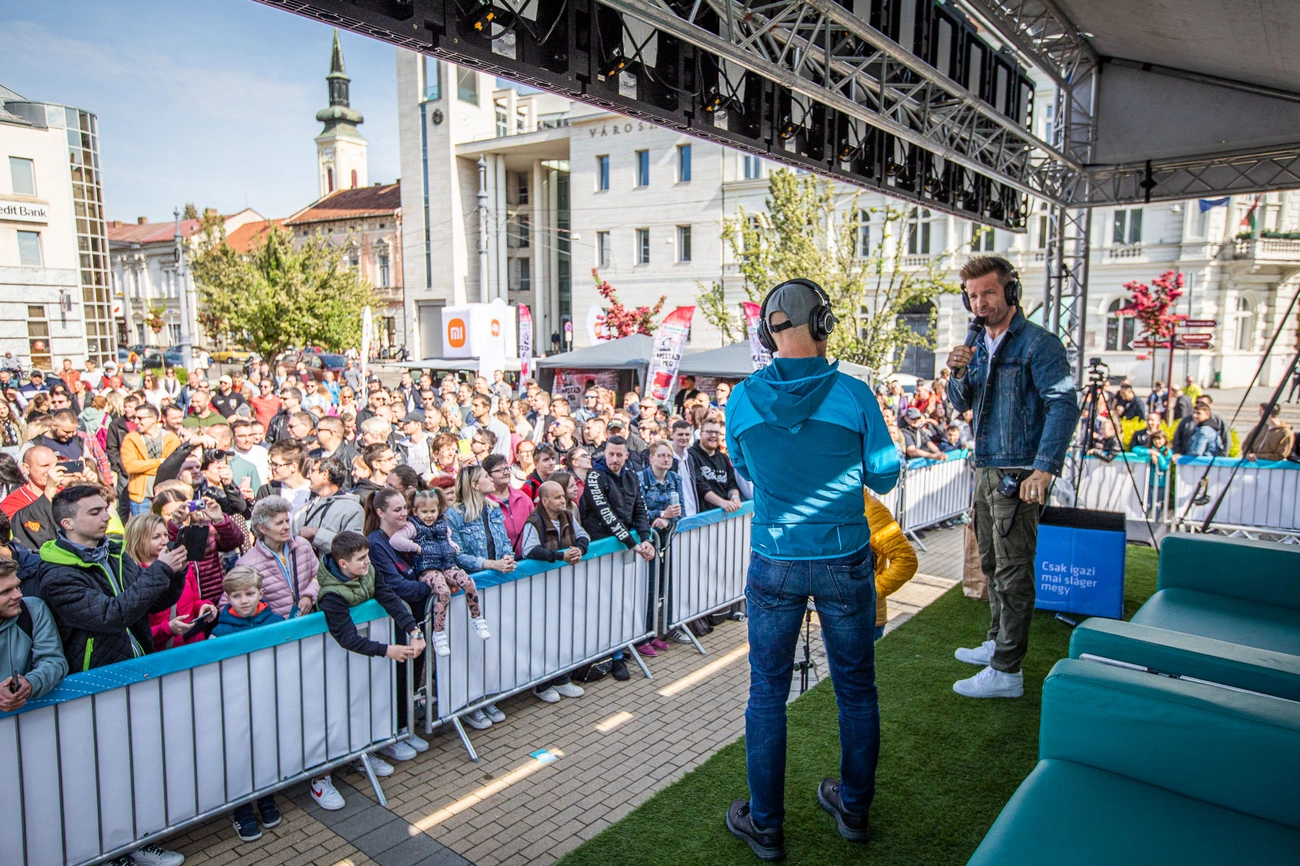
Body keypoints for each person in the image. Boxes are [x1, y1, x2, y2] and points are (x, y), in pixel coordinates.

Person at [722, 278, 899, 858]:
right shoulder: (854, 395)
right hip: (845, 559)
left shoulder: (742, 399)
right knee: (856, 690)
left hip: (774, 560)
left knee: (767, 693)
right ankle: (853, 808)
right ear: (822, 324)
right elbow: (885, 476)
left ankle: (766, 824)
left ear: (766, 330)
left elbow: (746, 469)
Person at [945, 256, 1076, 700]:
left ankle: (1007, 670)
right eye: (973, 295)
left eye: (988, 293)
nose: (979, 303)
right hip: (985, 467)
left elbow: (1063, 405)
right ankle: (997, 640)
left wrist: (1044, 467)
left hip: (1020, 470)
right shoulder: (977, 345)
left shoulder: (1040, 344)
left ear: (1010, 293)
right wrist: (957, 370)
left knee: (1014, 570)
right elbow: (959, 403)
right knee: (990, 564)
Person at [314, 531, 429, 807]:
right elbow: (346, 637)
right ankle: (321, 778)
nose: (368, 563)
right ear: (343, 564)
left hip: (363, 660)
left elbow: (388, 597)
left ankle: (365, 749)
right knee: (339, 712)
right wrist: (388, 650)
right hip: (333, 661)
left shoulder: (368, 572)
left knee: (366, 700)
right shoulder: (331, 595)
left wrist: (413, 628)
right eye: (361, 559)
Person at [35, 485, 188, 672]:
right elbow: (110, 615)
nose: (107, 517)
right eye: (95, 512)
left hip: (140, 663)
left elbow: (154, 602)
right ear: (68, 523)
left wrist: (176, 571)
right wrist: (161, 570)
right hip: (98, 678)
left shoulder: (115, 552)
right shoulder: (58, 575)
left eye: (105, 509)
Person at [208, 565, 287, 838]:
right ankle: (241, 810)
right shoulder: (220, 632)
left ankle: (266, 798)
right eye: (237, 595)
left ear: (261, 593)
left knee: (266, 748)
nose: (244, 600)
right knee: (238, 755)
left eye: (249, 593)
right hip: (235, 705)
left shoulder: (276, 622)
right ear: (227, 598)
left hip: (267, 700)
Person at [389, 488, 489, 656]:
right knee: (443, 592)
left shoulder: (443, 524)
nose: (429, 515)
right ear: (415, 511)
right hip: (428, 568)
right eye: (424, 511)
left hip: (447, 564)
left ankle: (477, 617)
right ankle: (439, 632)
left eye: (433, 511)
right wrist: (417, 547)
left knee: (468, 582)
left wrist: (452, 545)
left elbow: (447, 537)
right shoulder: (412, 526)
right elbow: (395, 540)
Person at [517, 480, 589, 703]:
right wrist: (560, 556)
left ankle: (562, 677)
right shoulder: (534, 521)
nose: (563, 500)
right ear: (544, 500)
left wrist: (579, 549)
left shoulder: (567, 515)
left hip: (563, 586)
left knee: (563, 632)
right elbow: (528, 550)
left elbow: (584, 535)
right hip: (540, 588)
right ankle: (542, 684)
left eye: (563, 496)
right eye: (557, 497)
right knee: (542, 635)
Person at [125, 512, 217, 651]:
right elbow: (136, 632)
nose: (164, 541)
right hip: (163, 655)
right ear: (137, 540)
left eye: (165, 535)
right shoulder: (131, 577)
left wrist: (205, 607)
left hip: (195, 647)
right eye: (156, 537)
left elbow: (194, 601)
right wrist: (168, 629)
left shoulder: (181, 566)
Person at [153, 483, 245, 604]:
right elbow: (173, 550)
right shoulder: (156, 538)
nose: (180, 515)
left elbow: (235, 541)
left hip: (217, 598)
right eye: (170, 514)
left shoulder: (204, 527)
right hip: (185, 605)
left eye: (182, 509)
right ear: (158, 516)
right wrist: (174, 525)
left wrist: (220, 519)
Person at [232, 496, 319, 619]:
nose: (286, 527)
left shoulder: (302, 545)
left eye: (287, 521)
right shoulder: (246, 564)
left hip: (308, 623)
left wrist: (309, 595)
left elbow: (319, 576)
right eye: (279, 523)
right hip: (276, 632)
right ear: (262, 528)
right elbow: (232, 601)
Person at [0, 557, 68, 712]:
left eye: (17, 586)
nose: (18, 595)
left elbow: (53, 660)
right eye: (5, 592)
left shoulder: (33, 609)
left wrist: (31, 683)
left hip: (32, 722)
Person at [863, 492, 918, 641]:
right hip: (833, 615)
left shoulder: (871, 509)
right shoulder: (830, 508)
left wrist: (871, 591)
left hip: (864, 619)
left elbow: (906, 560)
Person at [297, 457, 364, 557]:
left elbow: (354, 548)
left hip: (334, 571)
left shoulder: (352, 509)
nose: (308, 476)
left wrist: (316, 534)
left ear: (325, 474)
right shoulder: (305, 508)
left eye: (312, 471)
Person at [122, 404, 181, 516]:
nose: (136, 421)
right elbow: (130, 466)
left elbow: (170, 467)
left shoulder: (171, 439)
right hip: (141, 497)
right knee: (143, 532)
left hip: (166, 495)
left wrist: (143, 467)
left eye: (140, 418)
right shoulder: (131, 439)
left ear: (153, 419)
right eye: (135, 417)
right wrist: (159, 462)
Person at [690, 418, 742, 513]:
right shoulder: (691, 455)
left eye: (717, 432)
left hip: (725, 514)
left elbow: (731, 483)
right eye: (709, 432)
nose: (713, 435)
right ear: (701, 434)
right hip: (702, 516)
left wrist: (735, 497)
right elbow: (700, 487)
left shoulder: (723, 458)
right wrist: (722, 503)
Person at [482, 453, 532, 552]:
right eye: (500, 470)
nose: (505, 473)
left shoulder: (523, 498)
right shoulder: (484, 502)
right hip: (500, 561)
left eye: (506, 468)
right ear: (488, 475)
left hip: (527, 558)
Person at [639, 441, 684, 533]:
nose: (666, 459)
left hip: (670, 535)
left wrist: (667, 521)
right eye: (662, 455)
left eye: (669, 456)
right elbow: (637, 514)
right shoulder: (639, 479)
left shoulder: (675, 479)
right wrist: (662, 514)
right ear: (651, 458)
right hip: (646, 535)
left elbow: (682, 511)